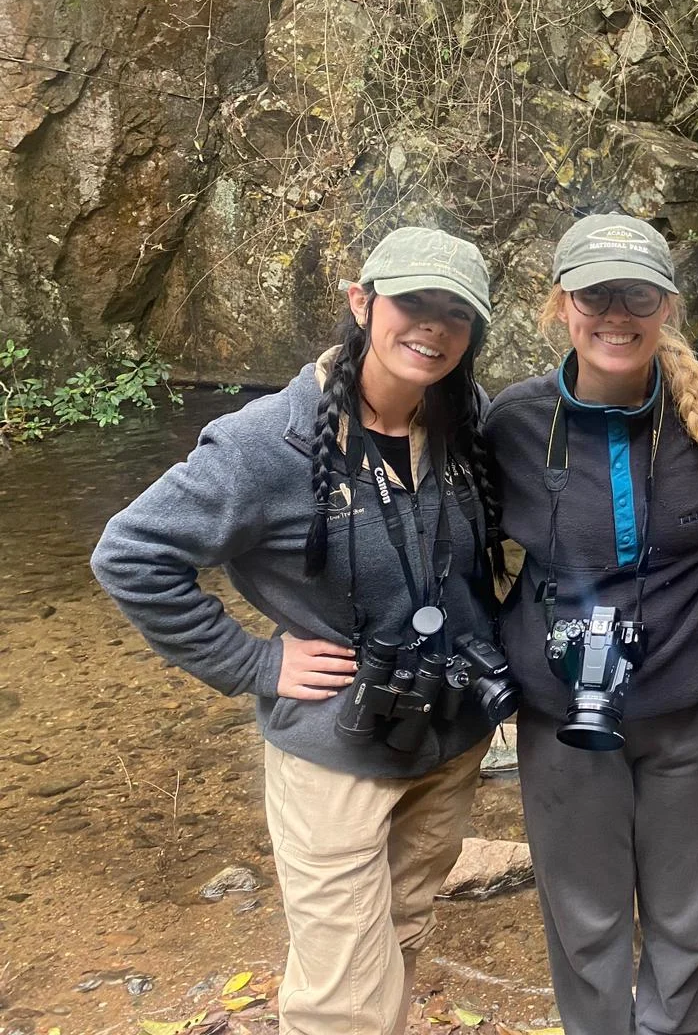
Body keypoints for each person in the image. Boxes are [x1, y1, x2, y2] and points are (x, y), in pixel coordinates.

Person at [92, 228, 506, 1035]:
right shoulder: (264, 443)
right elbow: (131, 555)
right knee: (340, 1000)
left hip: (450, 744)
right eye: (413, 302)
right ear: (362, 302)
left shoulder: (467, 420)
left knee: (401, 934)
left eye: (455, 313)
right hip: (335, 756)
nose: (433, 325)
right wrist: (253, 662)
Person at [483, 213, 698, 1035]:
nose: (616, 314)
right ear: (559, 304)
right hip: (562, 716)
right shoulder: (514, 423)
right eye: (595, 294)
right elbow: (447, 538)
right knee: (585, 925)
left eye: (637, 295)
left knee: (685, 923)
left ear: (667, 305)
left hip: (692, 714)